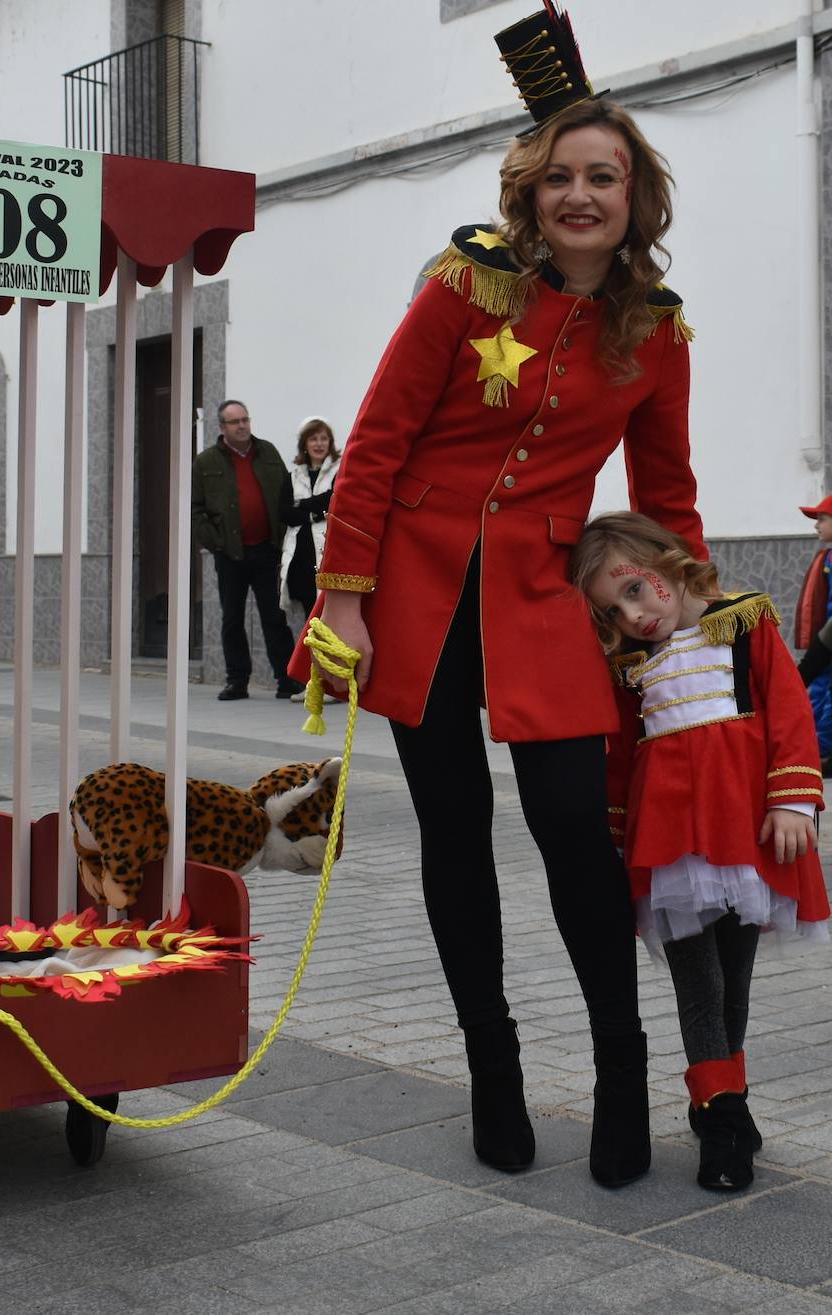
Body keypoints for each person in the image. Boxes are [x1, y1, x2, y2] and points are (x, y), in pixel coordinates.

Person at [293, 12, 704, 1187]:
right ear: (532, 193)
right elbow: (373, 447)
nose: (582, 196)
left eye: (605, 178)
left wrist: (687, 613)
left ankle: (622, 1072)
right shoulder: (464, 285)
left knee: (576, 826)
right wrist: (346, 599)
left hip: (541, 598)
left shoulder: (657, 333)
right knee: (454, 832)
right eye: (563, 177)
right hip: (418, 598)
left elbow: (666, 490)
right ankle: (492, 1064)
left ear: (635, 198)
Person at [571, 511, 829, 1191]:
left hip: (745, 833)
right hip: (673, 846)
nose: (633, 614)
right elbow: (622, 760)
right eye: (614, 608)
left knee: (735, 980)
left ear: (667, 561)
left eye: (635, 588)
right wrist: (622, 838)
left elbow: (790, 713)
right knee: (701, 984)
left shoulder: (744, 622)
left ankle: (720, 1097)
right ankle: (724, 1125)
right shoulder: (629, 664)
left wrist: (793, 800)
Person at [191, 399, 305, 701]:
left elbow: (286, 493)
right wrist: (215, 542)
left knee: (274, 617)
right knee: (232, 619)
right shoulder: (206, 463)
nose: (242, 426)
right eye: (234, 422)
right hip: (230, 554)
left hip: (267, 551)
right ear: (222, 427)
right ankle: (237, 681)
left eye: (245, 419)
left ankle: (287, 679)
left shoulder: (267, 452)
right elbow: (196, 509)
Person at [278, 416, 341, 640]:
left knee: (330, 619)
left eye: (324, 438)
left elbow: (333, 500)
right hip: (300, 560)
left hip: (327, 554)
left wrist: (302, 505)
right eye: (313, 439)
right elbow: (285, 513)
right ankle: (311, 670)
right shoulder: (293, 476)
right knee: (310, 619)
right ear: (305, 443)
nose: (319, 444)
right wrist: (317, 512)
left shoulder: (339, 471)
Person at [794, 496, 832, 762]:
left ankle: (822, 751)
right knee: (816, 692)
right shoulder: (827, 556)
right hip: (825, 644)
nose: (816, 526)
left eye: (822, 519)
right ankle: (811, 748)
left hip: (828, 643)